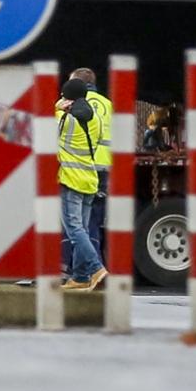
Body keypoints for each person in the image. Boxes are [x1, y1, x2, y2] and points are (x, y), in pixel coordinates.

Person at [57, 67, 114, 290]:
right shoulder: (104, 107)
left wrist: (60, 107)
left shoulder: (64, 116)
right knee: (89, 226)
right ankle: (79, 277)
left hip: (72, 177)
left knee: (75, 229)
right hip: (95, 174)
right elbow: (101, 138)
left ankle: (97, 269)